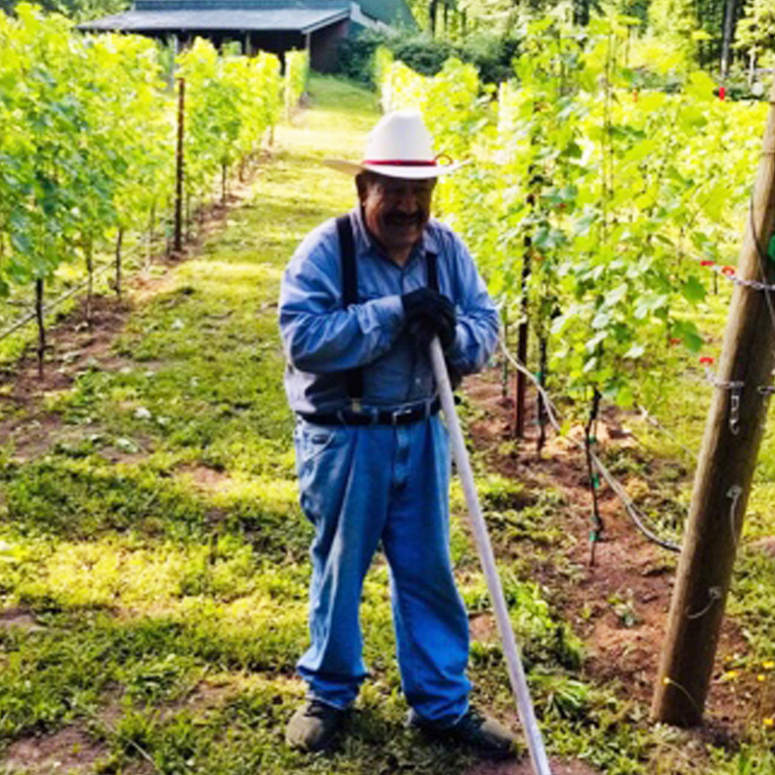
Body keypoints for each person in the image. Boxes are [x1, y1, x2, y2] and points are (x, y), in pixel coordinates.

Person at [279, 110, 515, 759]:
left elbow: (484, 325)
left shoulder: (448, 252)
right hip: (346, 437)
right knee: (340, 566)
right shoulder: (325, 251)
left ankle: (439, 704)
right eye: (392, 190)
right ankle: (328, 693)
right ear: (363, 189)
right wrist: (392, 313)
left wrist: (454, 334)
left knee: (427, 569)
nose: (408, 205)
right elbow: (304, 339)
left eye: (420, 192)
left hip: (422, 430)